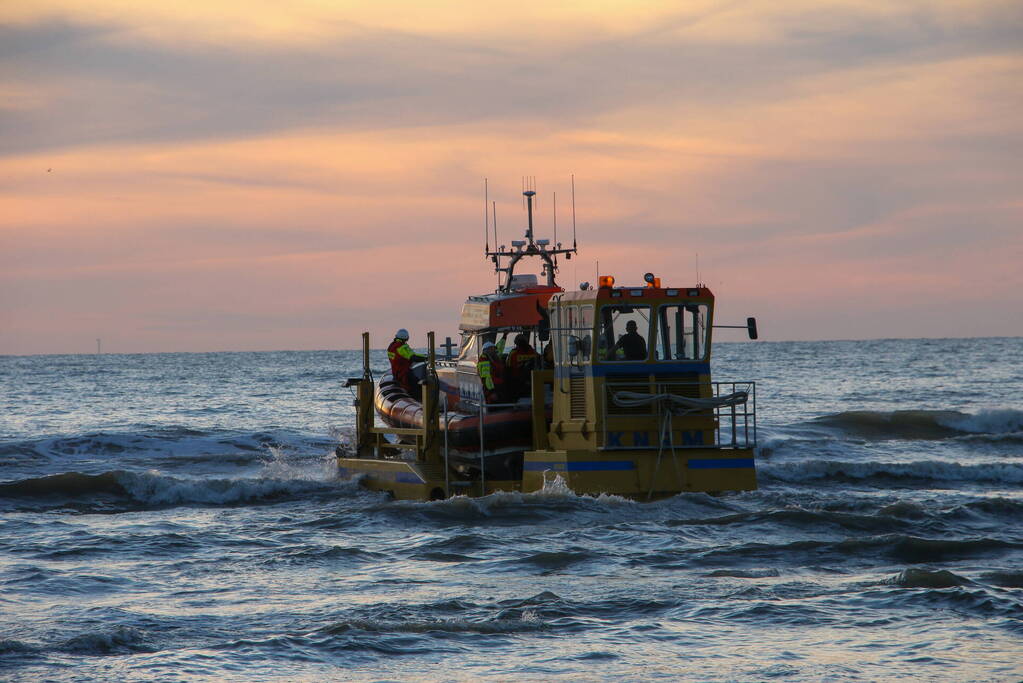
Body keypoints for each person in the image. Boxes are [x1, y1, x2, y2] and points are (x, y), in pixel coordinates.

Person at [387, 328, 426, 396]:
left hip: (396, 373)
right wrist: (426, 358)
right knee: (417, 386)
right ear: (407, 338)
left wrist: (424, 356)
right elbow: (413, 357)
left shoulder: (391, 346)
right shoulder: (402, 347)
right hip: (404, 373)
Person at [506, 333, 538, 398]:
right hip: (533, 380)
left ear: (516, 343)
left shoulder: (513, 353)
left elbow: (508, 367)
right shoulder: (533, 352)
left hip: (517, 380)